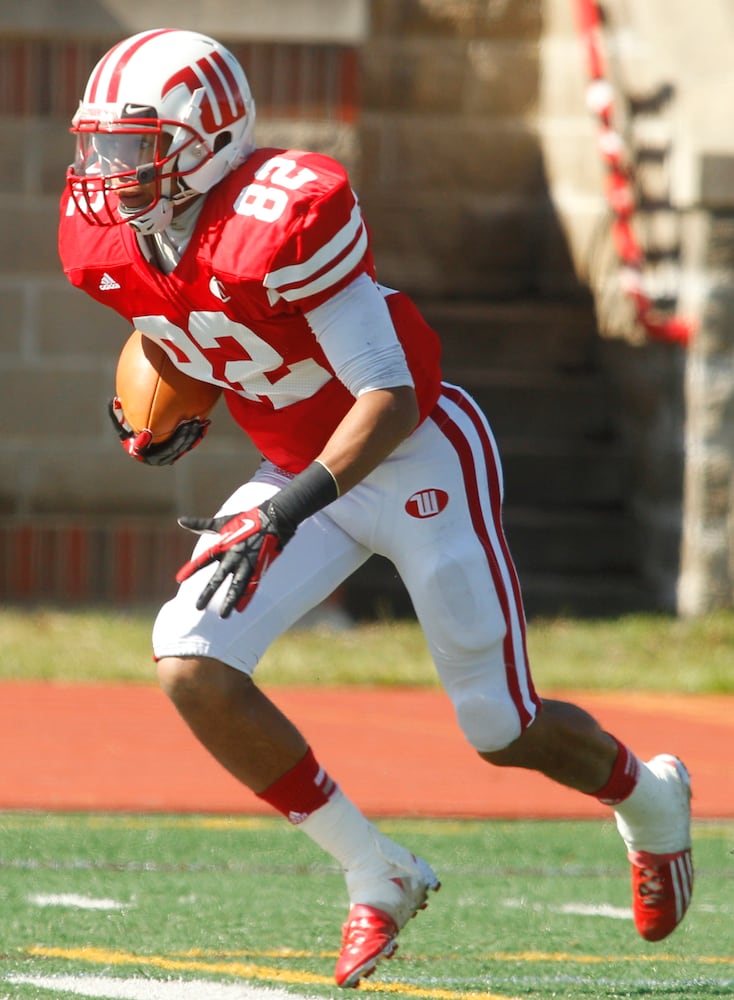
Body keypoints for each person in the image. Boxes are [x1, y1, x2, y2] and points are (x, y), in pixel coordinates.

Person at [58, 28, 693, 988]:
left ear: (206, 137)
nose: (111, 170)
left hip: (416, 451)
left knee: (500, 727)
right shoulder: (107, 234)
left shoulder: (285, 217)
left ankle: (649, 800)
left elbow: (388, 395)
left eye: (136, 145)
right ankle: (375, 868)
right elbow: (176, 326)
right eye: (102, 144)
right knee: (191, 661)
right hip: (298, 472)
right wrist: (161, 398)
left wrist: (284, 509)